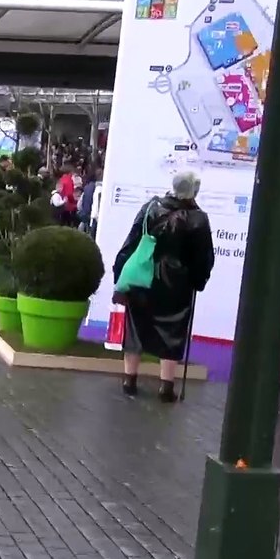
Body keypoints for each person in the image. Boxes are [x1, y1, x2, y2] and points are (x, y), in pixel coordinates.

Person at [113, 171, 215, 402]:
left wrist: (120, 275)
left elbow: (132, 241)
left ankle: (129, 379)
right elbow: (203, 257)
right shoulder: (198, 218)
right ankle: (166, 386)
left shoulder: (150, 207)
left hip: (143, 276)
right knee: (173, 331)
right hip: (177, 282)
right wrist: (199, 280)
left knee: (136, 326)